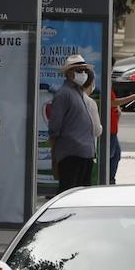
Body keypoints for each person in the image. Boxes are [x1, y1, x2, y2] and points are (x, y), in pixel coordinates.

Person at [47, 53, 99, 192]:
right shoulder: (64, 94)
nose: (83, 74)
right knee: (68, 191)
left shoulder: (78, 92)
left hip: (84, 153)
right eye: (79, 71)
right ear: (69, 73)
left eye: (84, 71)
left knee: (81, 193)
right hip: (71, 153)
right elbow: (54, 126)